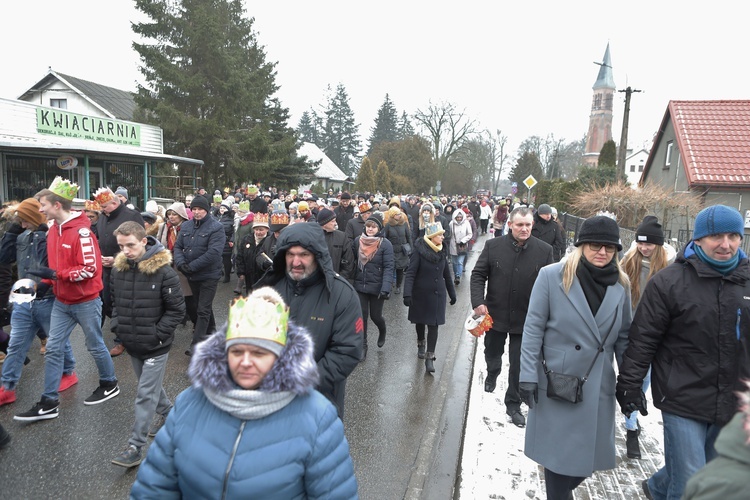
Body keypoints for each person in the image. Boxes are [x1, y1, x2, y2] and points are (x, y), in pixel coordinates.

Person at [130, 288, 358, 497]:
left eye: (259, 353)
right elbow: (155, 486)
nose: (245, 362)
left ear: (280, 357)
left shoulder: (318, 419)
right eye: (237, 350)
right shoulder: (189, 403)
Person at [616, 205, 750, 500]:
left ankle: (656, 487)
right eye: (716, 236)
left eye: (733, 236)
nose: (725, 244)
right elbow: (644, 338)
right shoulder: (668, 282)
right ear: (699, 239)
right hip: (682, 394)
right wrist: (630, 385)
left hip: (733, 397)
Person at [518, 215, 632, 500]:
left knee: (583, 463)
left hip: (596, 386)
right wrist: (527, 376)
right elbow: (532, 330)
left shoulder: (621, 285)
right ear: (581, 246)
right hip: (557, 385)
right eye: (595, 245)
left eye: (610, 247)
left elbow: (624, 337)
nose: (602, 252)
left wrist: (630, 382)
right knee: (557, 467)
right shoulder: (552, 276)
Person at [15, 177, 120, 422]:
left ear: (57, 206)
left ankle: (109, 383)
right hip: (62, 302)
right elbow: (57, 266)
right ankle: (49, 401)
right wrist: (45, 285)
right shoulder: (53, 229)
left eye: (43, 204)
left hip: (86, 301)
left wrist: (55, 275)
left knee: (94, 345)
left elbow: (90, 269)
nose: (40, 209)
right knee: (53, 349)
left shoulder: (82, 233)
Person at [266, 222, 363, 418]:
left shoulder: (341, 294)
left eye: (304, 255)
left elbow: (346, 352)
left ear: (317, 256)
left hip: (319, 404)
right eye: (290, 254)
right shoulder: (271, 289)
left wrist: (301, 381)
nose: (296, 262)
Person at [109, 221, 185, 468]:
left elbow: (176, 311)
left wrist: (157, 335)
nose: (126, 251)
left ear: (144, 241)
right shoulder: (118, 270)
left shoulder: (165, 272)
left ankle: (135, 446)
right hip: (132, 341)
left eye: (130, 245)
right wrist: (118, 327)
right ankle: (170, 412)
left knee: (144, 394)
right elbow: (114, 303)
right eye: (121, 246)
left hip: (156, 345)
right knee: (148, 386)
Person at [470, 207, 554, 428]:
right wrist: (479, 301)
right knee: (492, 352)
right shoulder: (493, 246)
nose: (524, 229)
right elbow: (478, 274)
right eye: (519, 225)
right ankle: (492, 371)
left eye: (528, 225)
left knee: (518, 364)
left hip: (526, 320)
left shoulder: (544, 251)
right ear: (510, 225)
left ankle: (513, 404)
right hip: (495, 315)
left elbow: (551, 287)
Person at [0, 198, 78, 407]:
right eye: (20, 221)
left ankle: (68, 372)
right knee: (16, 344)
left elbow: (50, 264)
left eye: (25, 220)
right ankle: (7, 387)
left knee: (56, 341)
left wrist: (42, 234)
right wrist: (13, 230)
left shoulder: (51, 234)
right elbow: (4, 257)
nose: (22, 224)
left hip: (47, 296)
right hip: (23, 298)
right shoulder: (22, 234)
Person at [618, 215, 676, 459]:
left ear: (658, 245)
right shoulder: (626, 263)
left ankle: (631, 425)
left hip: (656, 335)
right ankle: (631, 425)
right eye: (640, 242)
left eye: (649, 243)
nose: (644, 247)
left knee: (643, 381)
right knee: (631, 380)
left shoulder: (670, 268)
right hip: (627, 332)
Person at [94, 187, 145, 358]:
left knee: (122, 304)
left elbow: (140, 244)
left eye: (105, 207)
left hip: (127, 268)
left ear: (115, 203)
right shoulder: (103, 217)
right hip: (107, 270)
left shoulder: (131, 216)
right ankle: (124, 330)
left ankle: (121, 340)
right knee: (108, 303)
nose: (102, 210)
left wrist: (116, 258)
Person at [173, 194, 226, 356]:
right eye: (194, 209)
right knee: (200, 306)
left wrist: (192, 266)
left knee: (202, 310)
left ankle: (197, 345)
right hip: (191, 274)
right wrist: (181, 264)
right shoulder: (187, 227)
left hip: (209, 275)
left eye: (200, 209)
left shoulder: (216, 227)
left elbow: (214, 253)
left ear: (207, 210)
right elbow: (178, 247)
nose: (196, 212)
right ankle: (213, 332)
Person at [403, 222, 457, 372]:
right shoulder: (418, 252)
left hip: (438, 295)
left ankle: (430, 358)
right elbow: (411, 274)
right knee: (420, 322)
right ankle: (421, 343)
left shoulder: (441, 252)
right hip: (420, 294)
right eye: (440, 235)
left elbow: (446, 274)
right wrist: (407, 293)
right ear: (432, 237)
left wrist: (452, 294)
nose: (442, 237)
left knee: (434, 326)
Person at [683, 382, 750, 500]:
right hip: (685, 398)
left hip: (723, 404)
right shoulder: (727, 483)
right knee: (688, 471)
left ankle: (656, 487)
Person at [352, 212, 394, 358]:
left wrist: (386, 288)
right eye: (368, 226)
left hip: (377, 287)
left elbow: (389, 267)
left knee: (376, 316)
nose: (370, 229)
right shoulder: (358, 241)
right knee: (362, 317)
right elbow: (352, 262)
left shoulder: (385, 244)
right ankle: (363, 345)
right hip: (360, 285)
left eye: (373, 227)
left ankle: (382, 329)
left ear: (379, 228)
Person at [157, 202, 196, 326]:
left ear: (181, 215)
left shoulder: (188, 227)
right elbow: (159, 242)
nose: (171, 217)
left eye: (174, 214)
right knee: (170, 294)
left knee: (187, 295)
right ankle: (179, 318)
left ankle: (194, 319)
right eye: (169, 214)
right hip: (167, 263)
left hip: (182, 264)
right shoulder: (164, 227)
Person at [235, 213, 269, 294]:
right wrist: (241, 272)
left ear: (267, 229)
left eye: (261, 230)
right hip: (249, 276)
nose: (258, 232)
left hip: (264, 278)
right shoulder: (246, 239)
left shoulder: (270, 240)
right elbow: (240, 257)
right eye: (256, 229)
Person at [317, 207, 354, 280]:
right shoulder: (313, 237)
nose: (335, 223)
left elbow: (348, 261)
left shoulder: (342, 237)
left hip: (336, 281)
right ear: (324, 223)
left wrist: (340, 279)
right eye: (333, 221)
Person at [383, 206, 412, 294]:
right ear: (392, 216)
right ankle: (390, 285)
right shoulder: (388, 225)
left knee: (400, 270)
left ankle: (398, 286)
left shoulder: (404, 224)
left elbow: (408, 236)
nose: (400, 215)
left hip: (402, 251)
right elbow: (385, 238)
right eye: (397, 214)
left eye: (400, 213)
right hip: (391, 251)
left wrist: (411, 248)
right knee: (390, 269)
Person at [448, 209, 473, 285]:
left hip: (462, 245)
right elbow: (449, 234)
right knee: (454, 262)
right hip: (453, 245)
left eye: (460, 217)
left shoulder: (466, 223)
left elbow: (469, 234)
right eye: (457, 217)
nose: (459, 219)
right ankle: (456, 275)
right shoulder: (451, 223)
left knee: (460, 262)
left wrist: (463, 240)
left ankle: (458, 276)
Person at [217, 202, 235, 283]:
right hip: (216, 241)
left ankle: (227, 276)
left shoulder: (231, 218)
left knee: (226, 260)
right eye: (221, 208)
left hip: (226, 241)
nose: (222, 209)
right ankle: (218, 273)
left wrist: (232, 240)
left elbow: (234, 231)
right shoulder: (215, 217)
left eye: (224, 208)